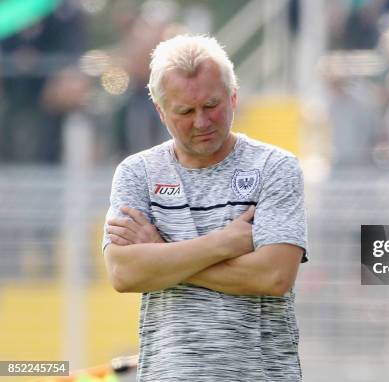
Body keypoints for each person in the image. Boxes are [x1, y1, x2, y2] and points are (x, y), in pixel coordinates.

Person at [101, 34, 307, 381]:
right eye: (185, 111)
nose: (201, 121)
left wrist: (161, 254)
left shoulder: (275, 167)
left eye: (212, 106)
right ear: (161, 111)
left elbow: (274, 276)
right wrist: (223, 244)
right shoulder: (137, 173)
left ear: (234, 96)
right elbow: (124, 274)